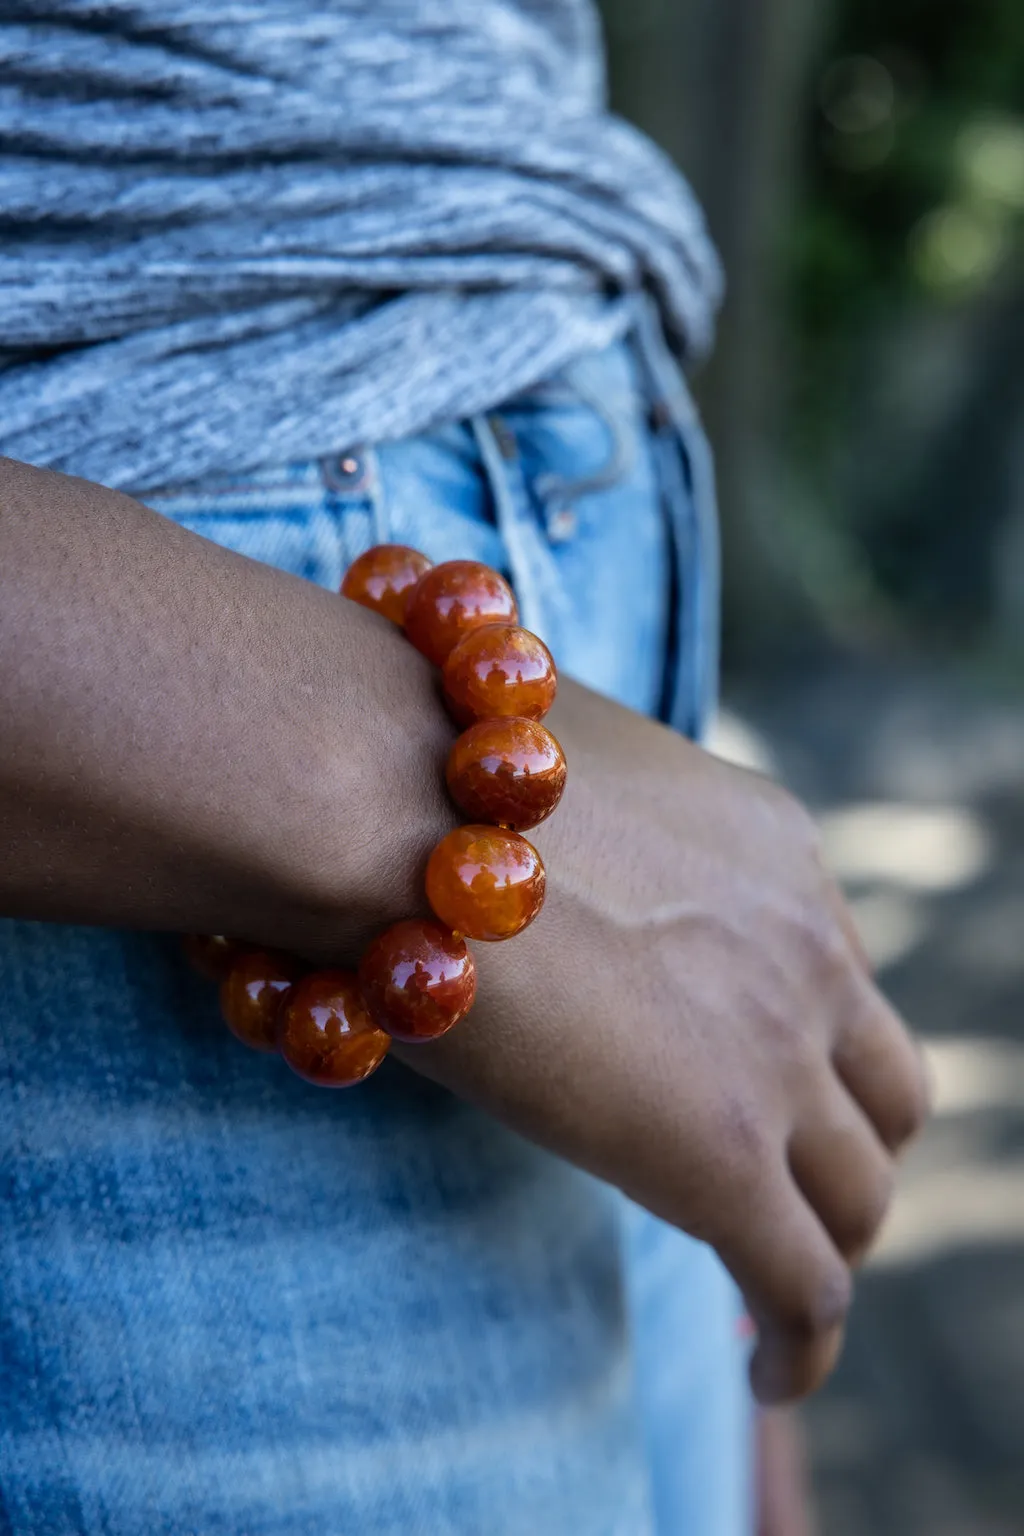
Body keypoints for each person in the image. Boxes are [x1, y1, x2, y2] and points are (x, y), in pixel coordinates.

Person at [0, 2, 927, 1531]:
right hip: (143, 757)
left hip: (570, 640)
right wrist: (377, 780)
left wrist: (697, 1273)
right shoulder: (410, 813)